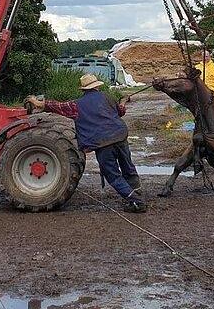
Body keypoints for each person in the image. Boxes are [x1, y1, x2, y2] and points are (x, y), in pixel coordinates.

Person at [27, 73, 145, 213]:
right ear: (97, 87)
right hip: (120, 136)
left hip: (102, 142)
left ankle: (136, 201)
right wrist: (124, 101)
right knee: (128, 167)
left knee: (112, 175)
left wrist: (39, 103)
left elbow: (59, 106)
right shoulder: (107, 97)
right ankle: (137, 194)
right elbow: (120, 111)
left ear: (83, 90)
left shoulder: (77, 105)